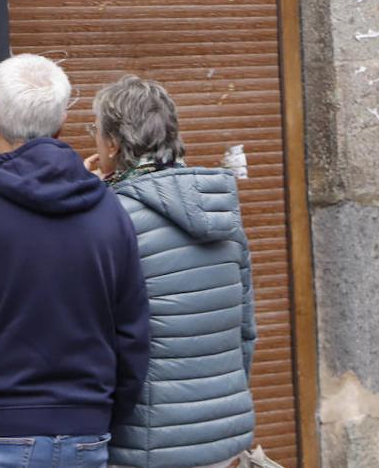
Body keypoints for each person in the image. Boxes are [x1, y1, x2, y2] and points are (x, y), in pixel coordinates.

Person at [0, 54, 150, 468]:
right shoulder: (108, 211)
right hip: (84, 435)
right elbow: (131, 335)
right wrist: (100, 416)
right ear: (59, 126)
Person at [86, 75, 257, 468]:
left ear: (113, 143)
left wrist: (85, 195)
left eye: (97, 131)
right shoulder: (222, 214)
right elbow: (245, 330)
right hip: (223, 441)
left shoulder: (111, 220)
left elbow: (100, 340)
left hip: (147, 445)